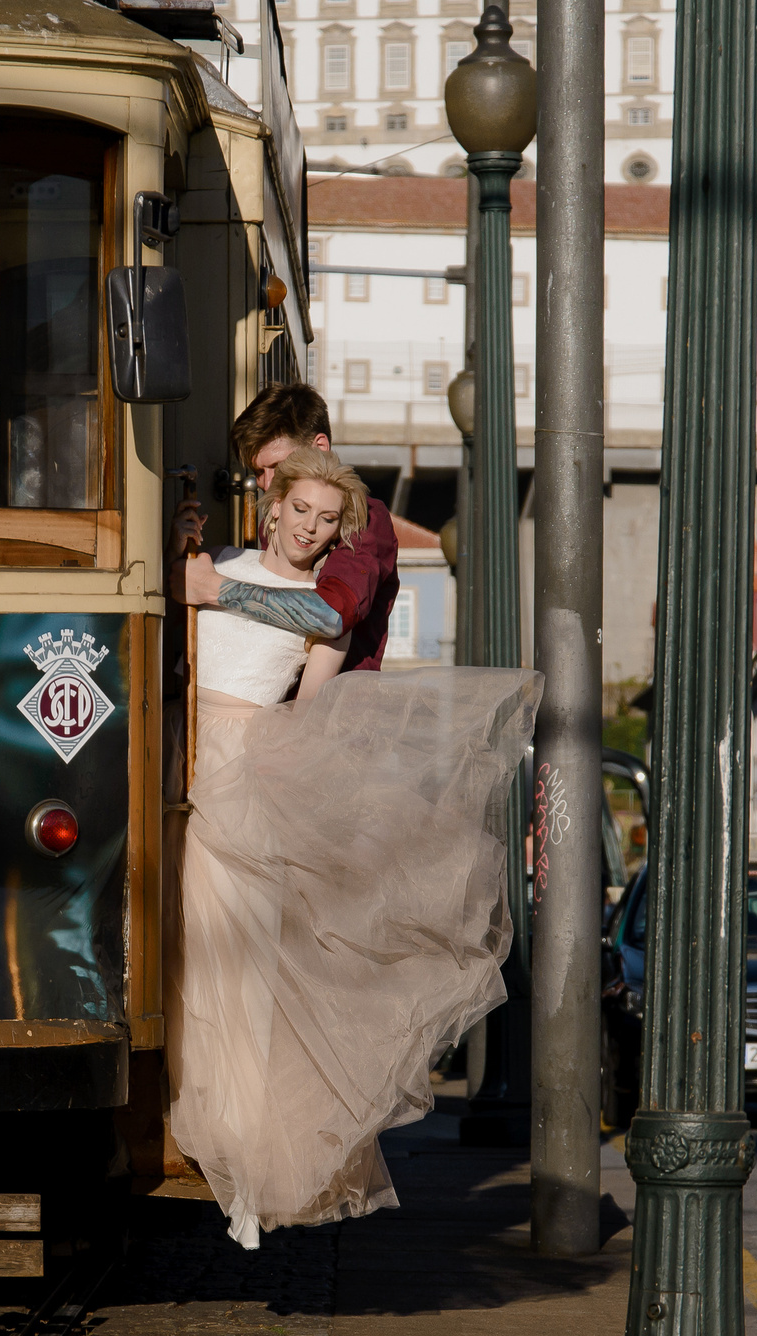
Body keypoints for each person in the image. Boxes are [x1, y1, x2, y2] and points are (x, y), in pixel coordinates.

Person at [167, 447, 538, 1248]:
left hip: (240, 781)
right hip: (180, 761)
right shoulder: (218, 563)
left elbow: (311, 717)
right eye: (299, 509)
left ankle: (246, 1160)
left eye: (326, 519)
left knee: (238, 964)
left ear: (339, 533)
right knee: (187, 956)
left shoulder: (318, 610)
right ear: (272, 507)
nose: (309, 526)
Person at [170, 383, 401, 674]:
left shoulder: (365, 519)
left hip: (332, 699)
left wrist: (212, 587)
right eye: (258, 472)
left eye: (278, 466)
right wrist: (175, 551)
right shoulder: (276, 518)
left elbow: (331, 616)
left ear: (320, 448)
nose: (267, 484)